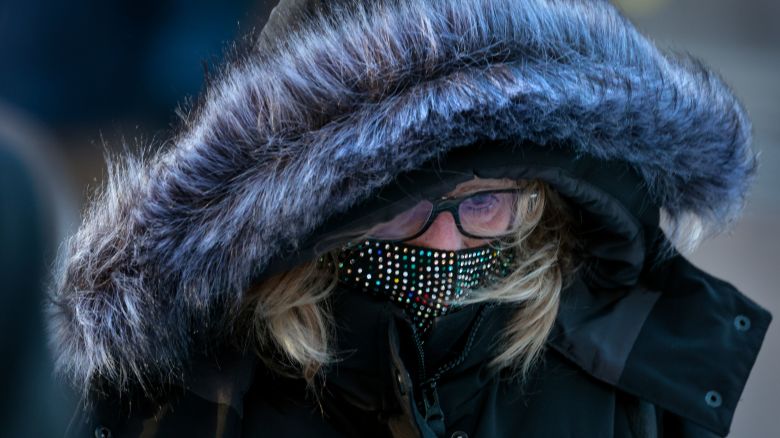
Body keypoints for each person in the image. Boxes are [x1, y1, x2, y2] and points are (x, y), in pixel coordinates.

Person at [51, 0, 772, 437]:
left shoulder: (619, 376)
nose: (443, 240)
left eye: (484, 203)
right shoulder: (197, 387)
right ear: (322, 214)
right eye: (401, 208)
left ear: (542, 205)